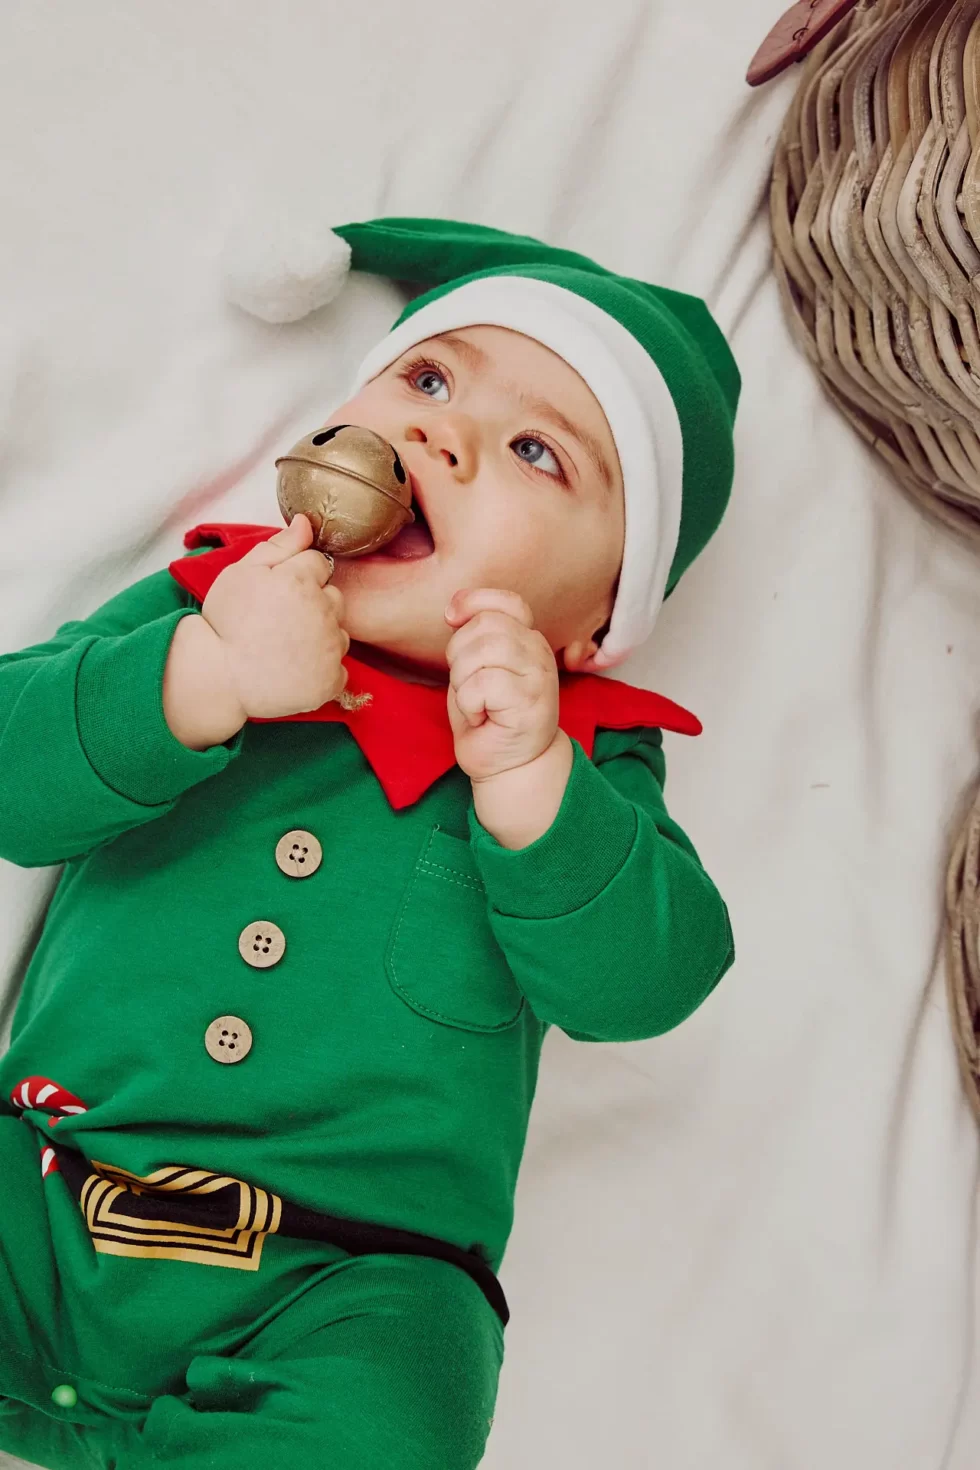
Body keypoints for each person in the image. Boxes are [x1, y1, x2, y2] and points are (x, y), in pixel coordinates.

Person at [0, 217, 739, 1469]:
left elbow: (646, 986)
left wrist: (531, 790)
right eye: (427, 379)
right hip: (45, 1181)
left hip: (348, 1281)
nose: (437, 436)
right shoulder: (201, 604)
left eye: (534, 453)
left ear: (593, 624)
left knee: (396, 1410)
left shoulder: (581, 754)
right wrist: (202, 678)